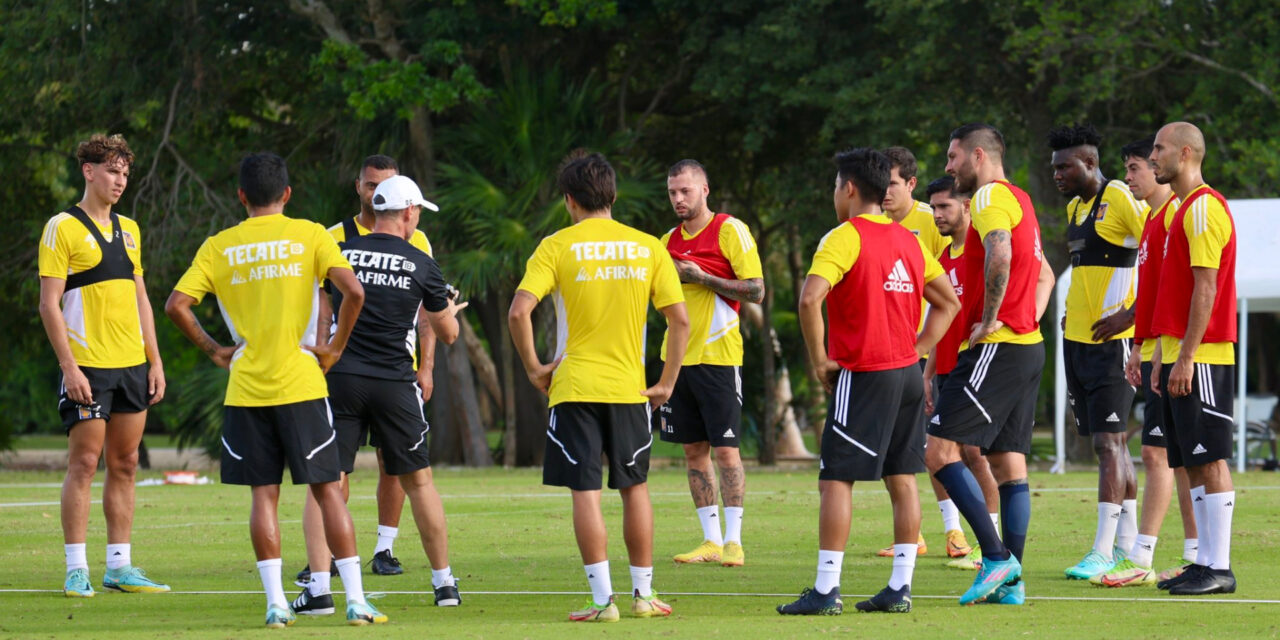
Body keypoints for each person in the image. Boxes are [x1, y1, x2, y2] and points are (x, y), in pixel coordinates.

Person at [165, 152, 387, 627]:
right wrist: (333, 351)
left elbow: (177, 305)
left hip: (247, 390)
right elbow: (355, 292)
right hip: (303, 385)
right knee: (329, 491)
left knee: (263, 498)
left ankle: (275, 603)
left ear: (241, 196)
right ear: (287, 194)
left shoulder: (218, 246)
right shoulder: (309, 233)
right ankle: (356, 601)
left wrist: (214, 350)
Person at [508, 151, 689, 622]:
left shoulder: (557, 245)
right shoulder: (648, 245)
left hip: (574, 388)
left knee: (585, 492)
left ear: (569, 200)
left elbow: (517, 311)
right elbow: (680, 321)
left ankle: (601, 600)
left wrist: (534, 368)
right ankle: (644, 596)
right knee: (635, 488)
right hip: (630, 390)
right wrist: (666, 382)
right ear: (613, 194)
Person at [778, 148, 959, 616]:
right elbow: (948, 303)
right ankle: (899, 589)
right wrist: (918, 349)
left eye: (836, 186)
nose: (834, 194)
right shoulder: (909, 241)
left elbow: (808, 299)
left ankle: (825, 591)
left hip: (864, 374)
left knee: (836, 478)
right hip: (905, 377)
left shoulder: (844, 236)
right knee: (903, 478)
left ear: (850, 188)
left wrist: (820, 360)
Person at [289, 175, 469, 616]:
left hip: (341, 378)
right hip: (394, 383)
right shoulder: (422, 262)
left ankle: (318, 587)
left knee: (326, 483)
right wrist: (450, 310)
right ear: (408, 212)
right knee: (419, 481)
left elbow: (325, 305)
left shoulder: (342, 252)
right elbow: (447, 334)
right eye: (418, 212)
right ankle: (444, 583)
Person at [926, 123, 1054, 606]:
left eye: (953, 156)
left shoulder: (987, 198)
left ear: (978, 156)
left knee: (938, 453)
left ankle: (997, 558)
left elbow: (1000, 250)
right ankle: (1012, 583)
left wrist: (993, 316)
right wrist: (1022, 316)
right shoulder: (1021, 197)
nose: (948, 166)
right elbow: (1041, 270)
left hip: (998, 346)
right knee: (1007, 463)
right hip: (1027, 345)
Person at [38, 133, 170, 598]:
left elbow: (141, 300)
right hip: (88, 367)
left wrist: (155, 360)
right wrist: (69, 368)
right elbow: (49, 305)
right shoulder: (61, 227)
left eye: (126, 173)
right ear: (88, 171)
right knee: (84, 464)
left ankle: (120, 566)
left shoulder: (131, 229)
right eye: (112, 171)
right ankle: (77, 569)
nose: (120, 181)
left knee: (127, 463)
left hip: (132, 365)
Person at [296, 155, 436, 585]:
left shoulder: (419, 242)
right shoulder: (334, 237)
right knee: (334, 468)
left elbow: (428, 314)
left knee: (394, 464)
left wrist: (426, 367)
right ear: (359, 187)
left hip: (395, 369)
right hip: (346, 367)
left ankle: (384, 547)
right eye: (371, 184)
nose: (377, 191)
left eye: (386, 185)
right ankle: (327, 557)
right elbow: (323, 301)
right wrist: (323, 350)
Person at [1096, 136, 1200, 587]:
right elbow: (1155, 295)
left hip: (1186, 355)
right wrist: (1143, 347)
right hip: (1163, 352)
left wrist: (1175, 353)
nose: (1132, 175)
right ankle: (1193, 555)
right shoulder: (1154, 221)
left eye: (1137, 166)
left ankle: (1142, 555)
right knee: (1171, 457)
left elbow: (1192, 289)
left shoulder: (1179, 213)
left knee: (1167, 455)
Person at [1047, 124, 1148, 581]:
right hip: (1078, 343)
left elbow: (1161, 255)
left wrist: (1131, 316)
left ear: (1089, 163)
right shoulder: (1075, 207)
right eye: (1054, 167)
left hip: (1114, 345)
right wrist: (1072, 311)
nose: (1057, 174)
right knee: (1110, 443)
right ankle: (1126, 548)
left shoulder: (1122, 196)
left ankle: (1103, 551)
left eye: (1064, 166)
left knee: (1110, 443)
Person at [657, 159, 763, 568]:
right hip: (677, 360)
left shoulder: (729, 229)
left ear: (705, 190)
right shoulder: (665, 240)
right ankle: (710, 540)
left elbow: (756, 290)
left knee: (726, 452)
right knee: (692, 452)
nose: (678, 199)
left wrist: (701, 277)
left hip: (719, 357)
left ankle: (734, 542)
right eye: (672, 192)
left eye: (685, 190)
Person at [1148, 122, 1238, 596]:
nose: (1153, 156)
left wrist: (1185, 357)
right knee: (1190, 460)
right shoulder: (1180, 211)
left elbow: (1207, 288)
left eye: (1159, 149)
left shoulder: (1202, 208)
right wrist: (1165, 357)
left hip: (1204, 355)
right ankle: (1204, 562)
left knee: (1210, 458)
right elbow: (1176, 292)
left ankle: (1219, 568)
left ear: (1185, 154)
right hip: (1183, 354)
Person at [879, 147, 969, 560]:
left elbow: (947, 286)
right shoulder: (869, 224)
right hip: (884, 354)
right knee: (899, 447)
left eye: (892, 183)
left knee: (937, 444)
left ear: (910, 184)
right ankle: (912, 534)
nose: (884, 191)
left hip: (924, 349)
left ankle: (955, 530)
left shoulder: (929, 221)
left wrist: (930, 351)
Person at [920, 176, 1003, 572]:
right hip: (946, 368)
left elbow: (1041, 277)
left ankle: (992, 542)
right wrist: (929, 372)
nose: (937, 215)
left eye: (945, 207)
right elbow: (941, 322)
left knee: (972, 452)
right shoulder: (939, 258)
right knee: (940, 453)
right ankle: (958, 534)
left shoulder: (983, 252)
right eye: (933, 208)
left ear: (967, 208)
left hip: (979, 363)